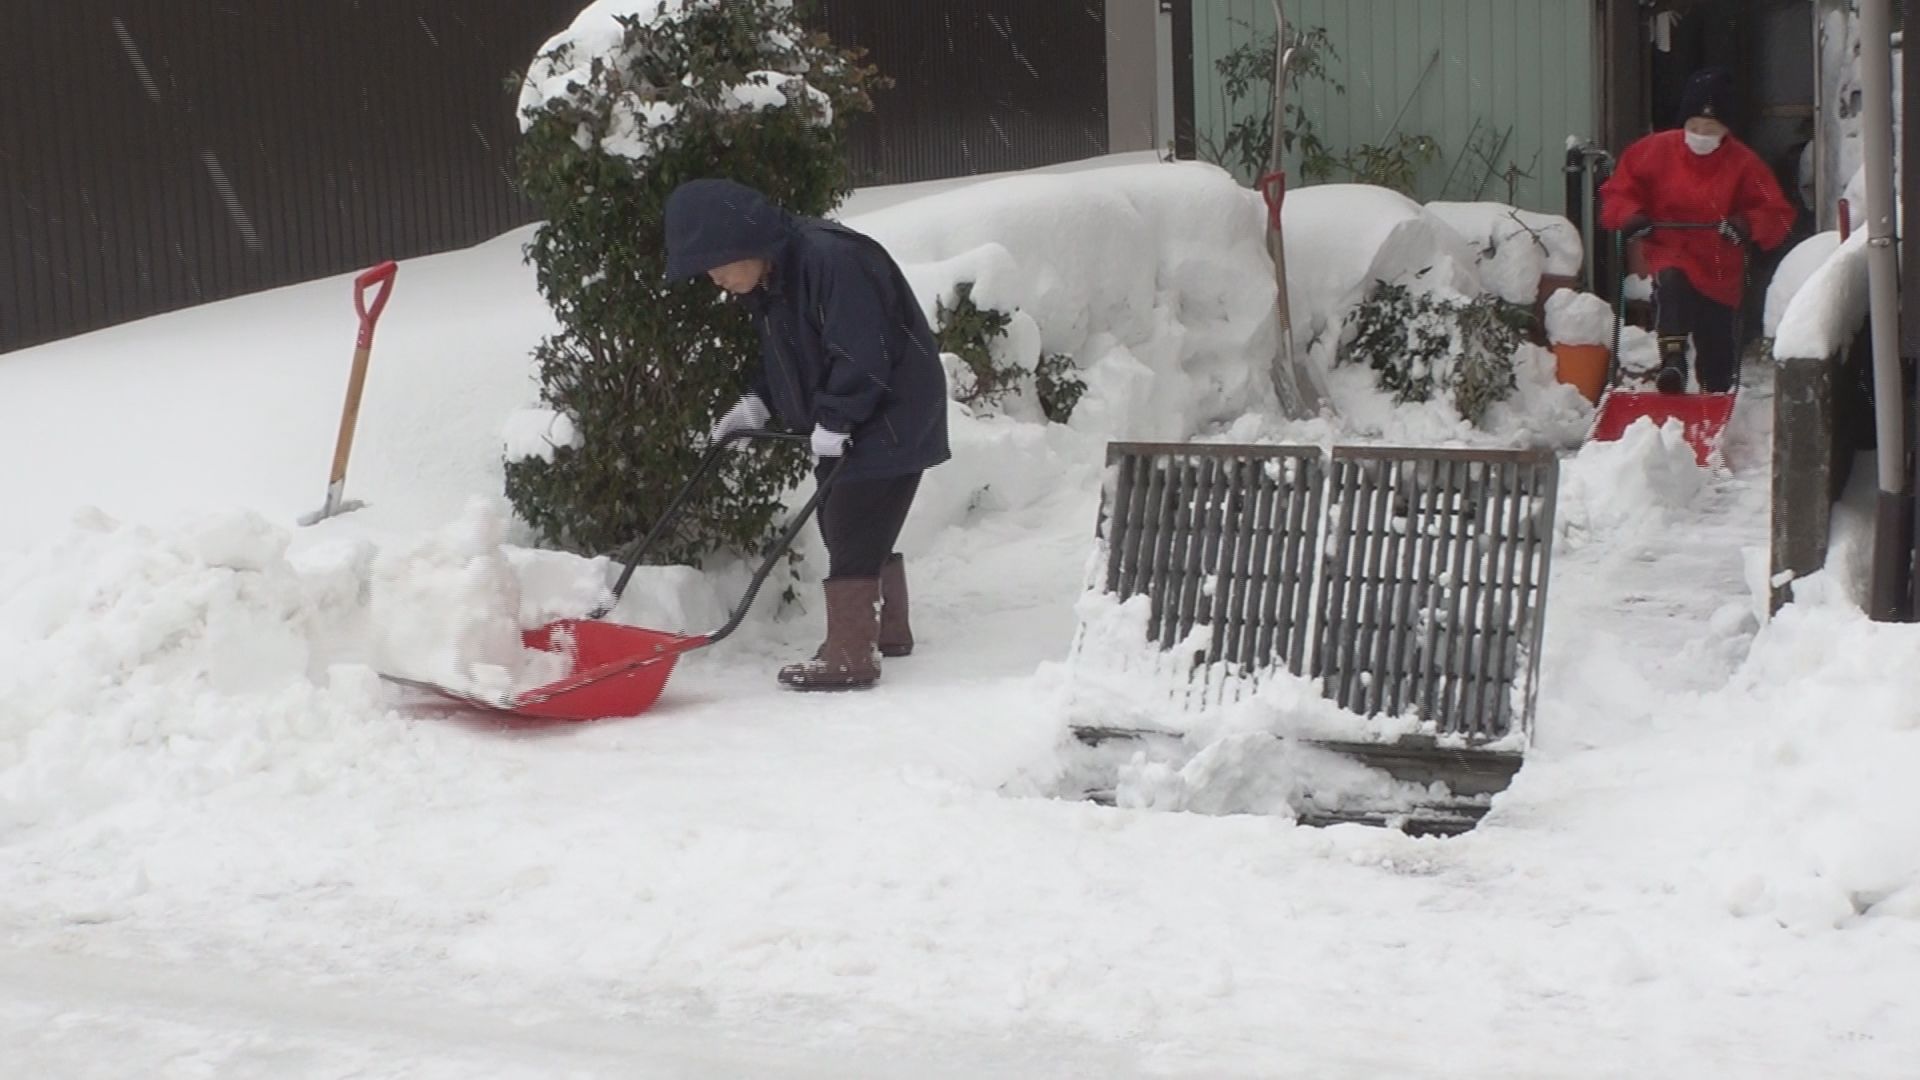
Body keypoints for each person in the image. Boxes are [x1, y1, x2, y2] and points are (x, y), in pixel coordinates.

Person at [663, 178, 950, 692]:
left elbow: (863, 349)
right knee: (849, 518)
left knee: (852, 517)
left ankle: (851, 655)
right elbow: (790, 356)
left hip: (892, 407)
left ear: (743, 243)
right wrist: (758, 403)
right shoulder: (775, 278)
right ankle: (886, 630)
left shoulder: (831, 260)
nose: (715, 279)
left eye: (716, 265)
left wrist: (837, 417)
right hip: (861, 407)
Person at [1600, 67, 1796, 394]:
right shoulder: (1651, 152)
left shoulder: (1746, 166)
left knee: (1717, 351)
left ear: (1726, 130)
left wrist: (1747, 224)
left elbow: (1778, 213)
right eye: (1694, 127)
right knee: (1672, 285)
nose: (1701, 135)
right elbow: (1617, 192)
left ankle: (1716, 391)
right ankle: (1672, 361)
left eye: (1710, 128)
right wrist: (1631, 216)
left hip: (1719, 266)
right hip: (1669, 250)